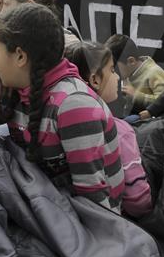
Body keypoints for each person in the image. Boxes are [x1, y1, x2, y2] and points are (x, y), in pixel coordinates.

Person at [0, 3, 125, 213]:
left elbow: (95, 203)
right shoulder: (17, 91)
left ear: (20, 56)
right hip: (46, 205)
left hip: (80, 221)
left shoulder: (73, 106)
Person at [64, 41, 153, 217]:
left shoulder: (58, 120)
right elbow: (139, 200)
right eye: (112, 70)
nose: (118, 77)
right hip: (117, 218)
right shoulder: (119, 130)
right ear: (95, 80)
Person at [105, 34, 164, 116]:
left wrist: (136, 95)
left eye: (115, 68)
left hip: (155, 122)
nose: (114, 72)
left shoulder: (155, 73)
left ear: (131, 61)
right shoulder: (128, 73)